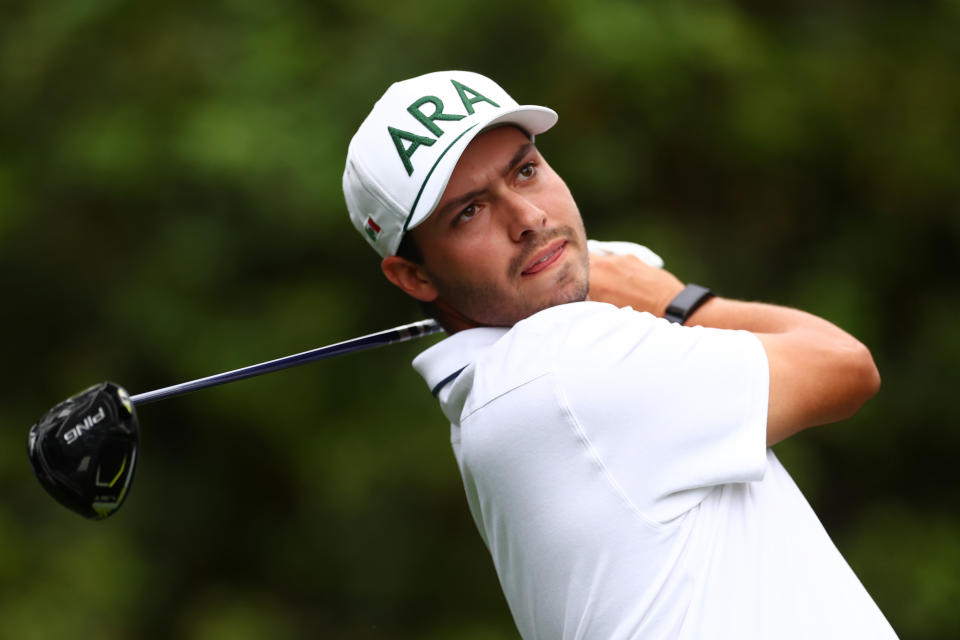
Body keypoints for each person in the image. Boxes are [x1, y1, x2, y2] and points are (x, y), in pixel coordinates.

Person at [343, 71, 897, 639]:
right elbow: (846, 367)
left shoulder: (498, 396)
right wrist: (671, 300)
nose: (529, 219)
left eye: (525, 171)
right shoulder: (563, 366)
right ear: (413, 276)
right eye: (470, 212)